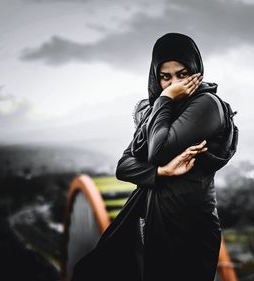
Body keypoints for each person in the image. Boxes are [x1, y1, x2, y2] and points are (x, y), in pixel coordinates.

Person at [71, 32, 238, 281]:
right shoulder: (156, 113)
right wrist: (161, 172)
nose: (173, 84)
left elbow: (157, 151)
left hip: (190, 226)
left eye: (182, 74)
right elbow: (125, 166)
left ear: (196, 70)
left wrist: (166, 99)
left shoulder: (207, 106)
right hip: (153, 221)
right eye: (165, 77)